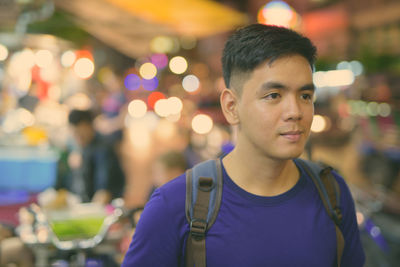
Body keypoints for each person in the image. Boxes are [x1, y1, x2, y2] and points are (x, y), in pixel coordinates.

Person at [122, 24, 365, 266]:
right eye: (273, 96)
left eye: (305, 96)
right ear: (231, 107)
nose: (295, 112)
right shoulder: (175, 205)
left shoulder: (332, 193)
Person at [50, 109, 125, 207]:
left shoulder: (103, 149)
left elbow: (103, 192)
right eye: (74, 133)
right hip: (78, 203)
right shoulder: (75, 148)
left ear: (90, 126)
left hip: (99, 207)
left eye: (80, 133)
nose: (77, 137)